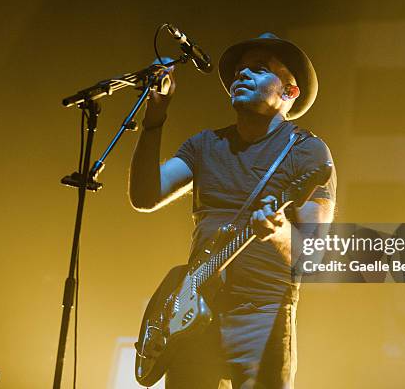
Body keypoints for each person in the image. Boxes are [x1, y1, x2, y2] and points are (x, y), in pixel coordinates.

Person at [129, 33, 336, 389]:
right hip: (191, 315)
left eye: (257, 69)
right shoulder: (205, 145)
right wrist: (154, 118)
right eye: (240, 70)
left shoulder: (308, 152)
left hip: (261, 318)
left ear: (289, 92)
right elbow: (145, 197)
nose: (242, 75)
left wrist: (278, 232)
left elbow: (312, 256)